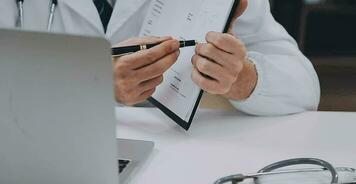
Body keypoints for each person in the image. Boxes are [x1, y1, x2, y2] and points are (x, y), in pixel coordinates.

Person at [0, 0, 320, 116]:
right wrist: (90, 84)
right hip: (47, 159)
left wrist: (244, 78)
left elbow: (305, 89)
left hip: (174, 164)